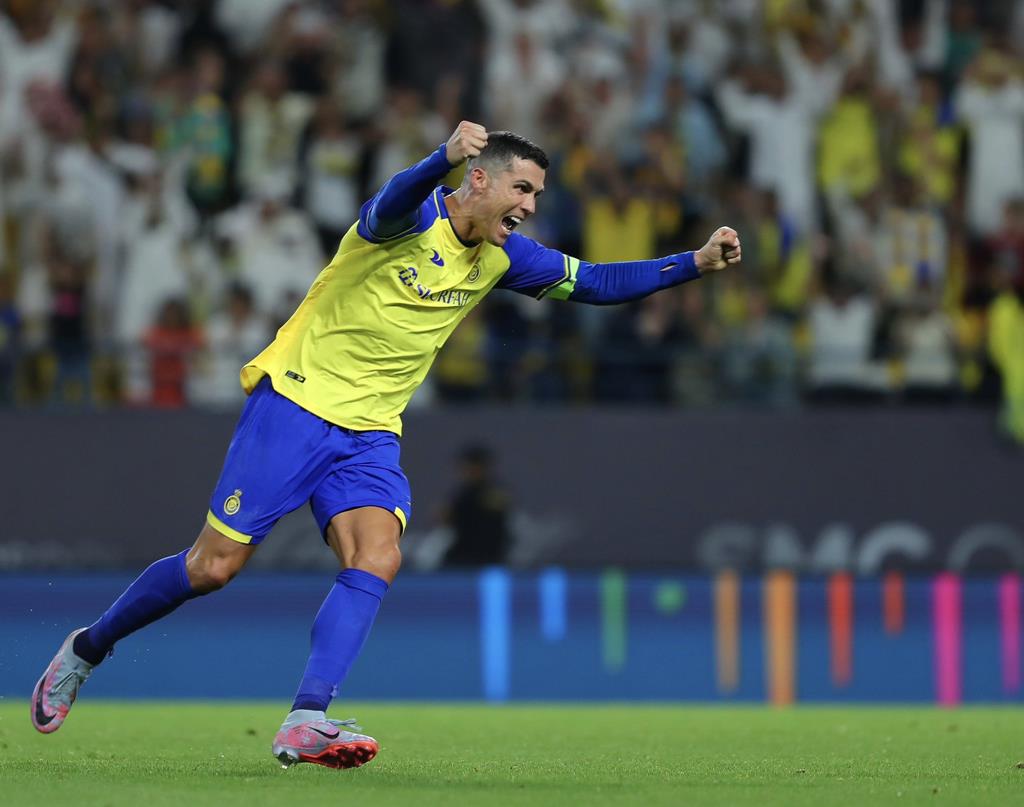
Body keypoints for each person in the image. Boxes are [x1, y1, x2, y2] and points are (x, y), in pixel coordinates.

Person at [31, 122, 741, 769]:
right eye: (521, 188)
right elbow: (395, 196)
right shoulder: (407, 222)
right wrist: (439, 157)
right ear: (481, 179)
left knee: (379, 553)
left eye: (537, 193)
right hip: (296, 403)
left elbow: (596, 281)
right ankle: (87, 648)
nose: (529, 204)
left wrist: (696, 262)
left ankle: (307, 716)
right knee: (214, 567)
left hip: (369, 431)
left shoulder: (501, 259)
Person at [442, 444, 511, 567]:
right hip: (462, 558)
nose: (468, 471)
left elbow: (496, 529)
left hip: (489, 558)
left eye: (472, 466)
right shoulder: (461, 495)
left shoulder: (494, 492)